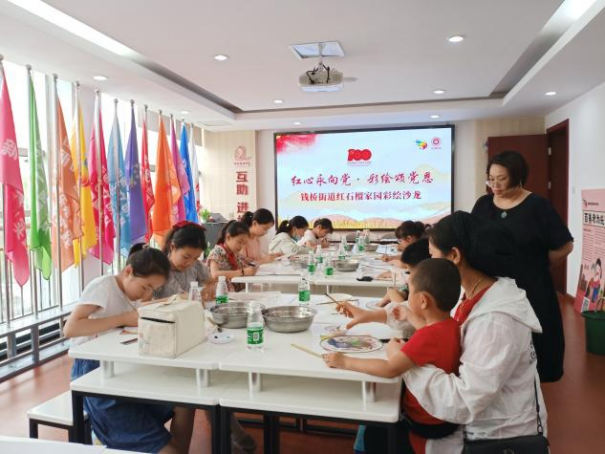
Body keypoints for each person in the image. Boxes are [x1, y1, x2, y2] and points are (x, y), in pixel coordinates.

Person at [341, 211, 547, 453]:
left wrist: (402, 361)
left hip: (487, 437)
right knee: (375, 426)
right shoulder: (470, 289)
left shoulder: (496, 321)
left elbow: (464, 402)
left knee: (377, 432)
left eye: (432, 255)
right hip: (456, 423)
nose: (428, 262)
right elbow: (425, 315)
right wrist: (374, 315)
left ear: (455, 255)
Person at [65, 245, 194, 454]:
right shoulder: (103, 287)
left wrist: (170, 301)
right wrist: (123, 319)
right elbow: (71, 328)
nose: (147, 294)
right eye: (146, 287)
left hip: (123, 365)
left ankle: (169, 447)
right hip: (94, 373)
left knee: (186, 402)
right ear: (128, 272)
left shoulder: (130, 293)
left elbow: (141, 310)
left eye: (153, 289)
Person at [326, 259, 462, 453]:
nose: (406, 296)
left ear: (423, 301)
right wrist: (410, 316)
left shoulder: (426, 336)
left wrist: (345, 361)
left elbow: (390, 369)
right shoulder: (452, 326)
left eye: (410, 291)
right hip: (444, 419)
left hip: (425, 421)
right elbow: (430, 335)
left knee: (373, 433)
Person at [472, 150, 573, 382]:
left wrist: (537, 265)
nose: (494, 185)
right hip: (492, 287)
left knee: (537, 343)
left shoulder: (537, 206)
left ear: (518, 176)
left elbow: (565, 246)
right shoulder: (484, 204)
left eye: (501, 179)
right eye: (491, 178)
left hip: (532, 287)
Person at [154, 221, 214, 301]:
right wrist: (174, 299)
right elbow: (142, 305)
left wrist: (208, 288)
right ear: (172, 246)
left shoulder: (195, 266)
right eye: (186, 257)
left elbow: (210, 281)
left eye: (196, 258)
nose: (190, 263)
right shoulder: (157, 270)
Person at [376, 238, 431, 308]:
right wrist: (403, 293)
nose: (409, 277)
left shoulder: (429, 287)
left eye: (410, 272)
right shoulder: (421, 281)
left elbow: (408, 312)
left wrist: (392, 293)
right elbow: (407, 290)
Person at [208, 221, 256, 291]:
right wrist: (243, 272)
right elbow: (215, 275)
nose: (241, 246)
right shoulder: (216, 253)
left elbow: (248, 266)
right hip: (221, 295)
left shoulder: (235, 255)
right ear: (228, 237)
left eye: (244, 243)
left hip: (237, 292)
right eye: (239, 242)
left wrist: (250, 269)